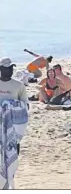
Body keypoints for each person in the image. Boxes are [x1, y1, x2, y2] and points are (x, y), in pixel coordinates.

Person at [0, 58, 28, 188]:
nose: (10, 70)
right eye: (6, 68)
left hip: (13, 133)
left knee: (11, 159)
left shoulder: (19, 86)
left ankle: (9, 185)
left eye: (11, 68)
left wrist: (11, 106)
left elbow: (25, 107)